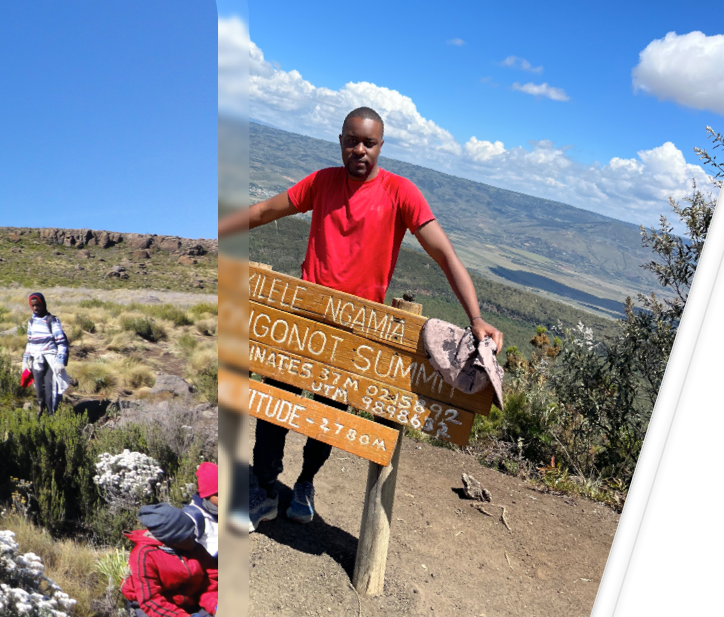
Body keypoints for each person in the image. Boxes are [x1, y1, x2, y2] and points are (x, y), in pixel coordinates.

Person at [217, 106, 505, 530]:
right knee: (275, 400)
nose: (359, 150)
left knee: (329, 412)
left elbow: (444, 253)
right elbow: (263, 212)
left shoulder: (400, 192)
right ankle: (263, 487)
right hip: (303, 318)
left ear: (381, 146)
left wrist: (475, 316)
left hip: (356, 329)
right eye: (352, 141)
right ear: (340, 142)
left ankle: (305, 484)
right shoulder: (322, 182)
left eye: (369, 143)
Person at [122, 462, 221, 617]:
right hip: (156, 609)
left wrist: (216, 606)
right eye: (187, 537)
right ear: (171, 540)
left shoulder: (195, 549)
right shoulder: (145, 556)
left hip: (188, 603)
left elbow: (209, 584)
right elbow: (151, 601)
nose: (194, 539)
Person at [21, 292, 71, 414]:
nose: (35, 308)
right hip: (36, 361)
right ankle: (42, 415)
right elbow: (30, 342)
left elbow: (62, 342)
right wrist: (25, 359)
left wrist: (60, 361)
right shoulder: (31, 322)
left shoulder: (52, 320)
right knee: (39, 391)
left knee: (51, 391)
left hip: (50, 360)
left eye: (37, 305)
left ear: (43, 304)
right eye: (32, 306)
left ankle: (52, 416)